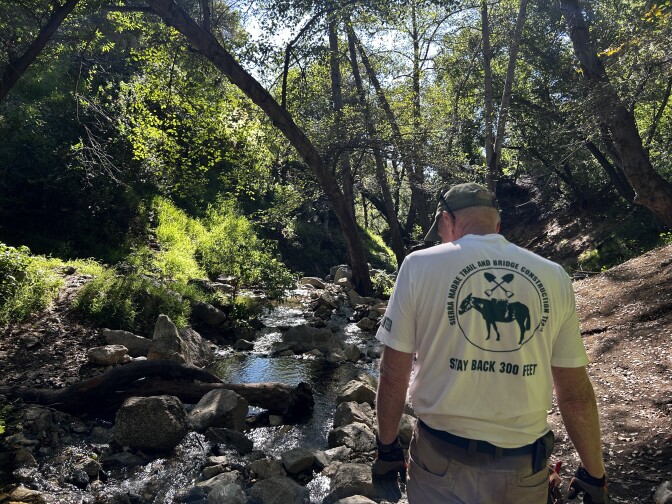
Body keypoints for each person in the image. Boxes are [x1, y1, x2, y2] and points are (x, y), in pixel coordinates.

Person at [372, 182, 609, 503]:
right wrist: (594, 474)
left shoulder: (418, 266)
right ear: (497, 225)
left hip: (439, 464)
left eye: (440, 231)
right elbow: (575, 396)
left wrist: (387, 449)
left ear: (447, 220)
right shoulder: (554, 277)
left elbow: (392, 373)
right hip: (523, 471)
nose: (441, 239)